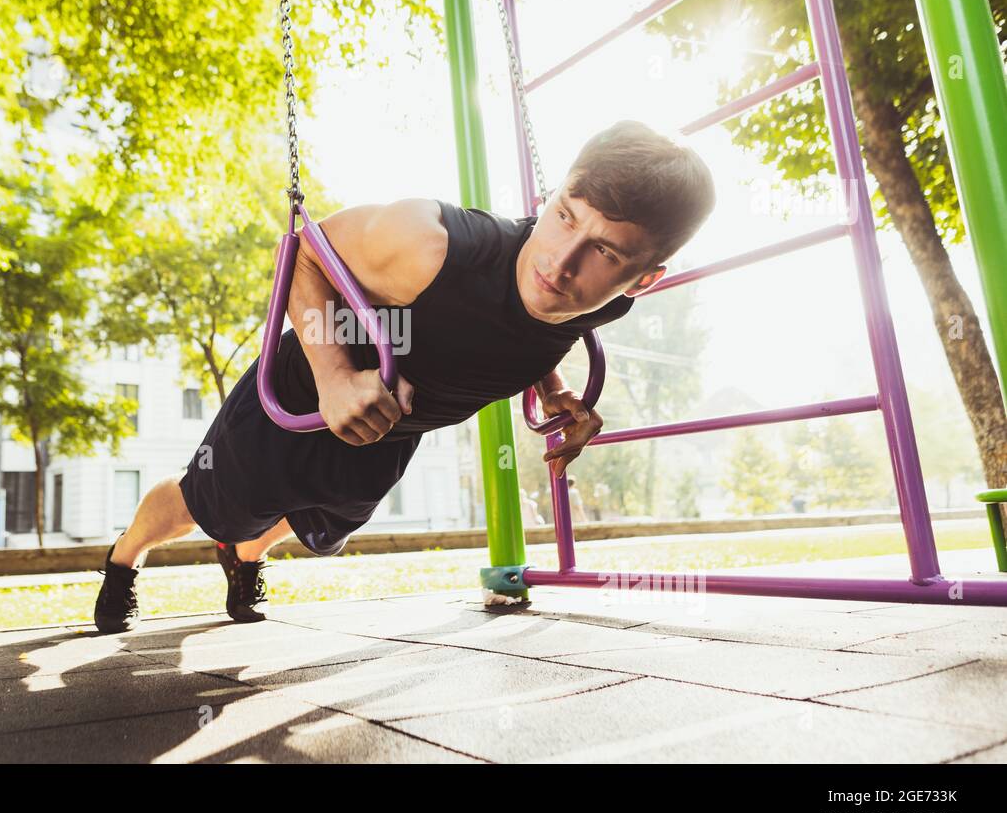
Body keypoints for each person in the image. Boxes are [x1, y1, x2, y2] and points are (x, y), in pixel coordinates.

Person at [94, 120, 715, 630]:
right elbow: (306, 251)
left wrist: (554, 392)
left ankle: (245, 554)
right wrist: (336, 376)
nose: (561, 262)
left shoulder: (608, 299)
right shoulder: (430, 245)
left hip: (389, 431)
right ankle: (126, 557)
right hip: (301, 393)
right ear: (550, 199)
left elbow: (537, 327)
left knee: (317, 522)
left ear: (643, 279)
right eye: (566, 218)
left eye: (605, 252)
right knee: (206, 509)